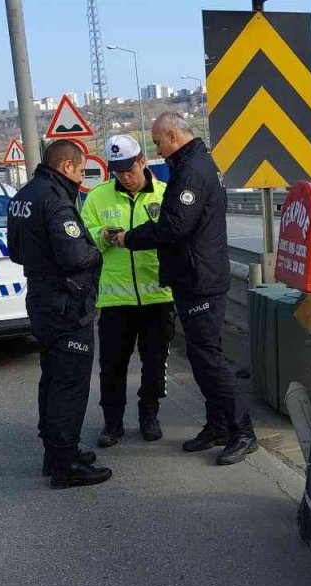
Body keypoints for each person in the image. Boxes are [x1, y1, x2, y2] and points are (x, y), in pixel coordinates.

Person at [110, 112, 257, 466]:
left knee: (210, 359)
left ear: (173, 135)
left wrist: (130, 237)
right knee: (203, 358)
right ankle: (219, 425)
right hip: (194, 276)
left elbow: (174, 226)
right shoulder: (192, 165)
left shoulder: (192, 171)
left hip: (200, 280)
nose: (157, 149)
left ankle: (243, 432)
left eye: (158, 141)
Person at [7, 140, 112, 488]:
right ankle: (66, 465)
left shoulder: (23, 196)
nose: (83, 177)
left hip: (40, 298)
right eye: (81, 171)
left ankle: (56, 454)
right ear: (67, 166)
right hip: (66, 305)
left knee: (52, 378)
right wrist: (96, 253)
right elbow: (74, 255)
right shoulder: (55, 200)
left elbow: (16, 252)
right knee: (69, 383)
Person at [80, 135, 175, 449]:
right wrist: (102, 235)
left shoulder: (165, 194)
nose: (124, 175)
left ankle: (149, 415)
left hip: (157, 298)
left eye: (129, 168)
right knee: (112, 366)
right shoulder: (97, 197)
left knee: (154, 363)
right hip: (115, 300)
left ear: (143, 162)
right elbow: (81, 239)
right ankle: (112, 424)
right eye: (117, 170)